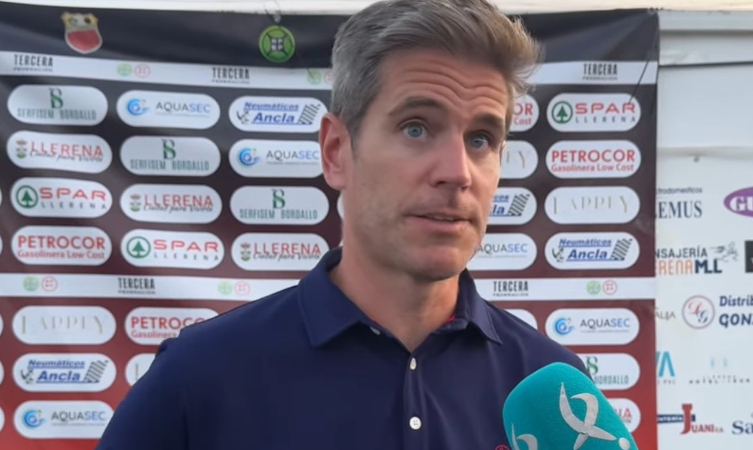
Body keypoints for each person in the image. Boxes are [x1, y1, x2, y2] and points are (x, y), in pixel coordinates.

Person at [95, 0, 588, 448]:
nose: (457, 172)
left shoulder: (556, 391)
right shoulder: (200, 374)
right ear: (335, 152)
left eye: (481, 139)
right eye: (416, 127)